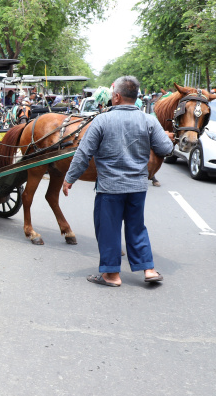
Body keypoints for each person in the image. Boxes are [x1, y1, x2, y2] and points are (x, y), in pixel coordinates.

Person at [61, 75, 174, 287]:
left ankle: (111, 275)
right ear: (136, 97)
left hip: (109, 188)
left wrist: (69, 178)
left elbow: (83, 153)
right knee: (136, 227)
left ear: (116, 97)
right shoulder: (149, 120)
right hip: (138, 187)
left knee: (108, 228)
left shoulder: (102, 121)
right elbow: (166, 149)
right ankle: (148, 270)